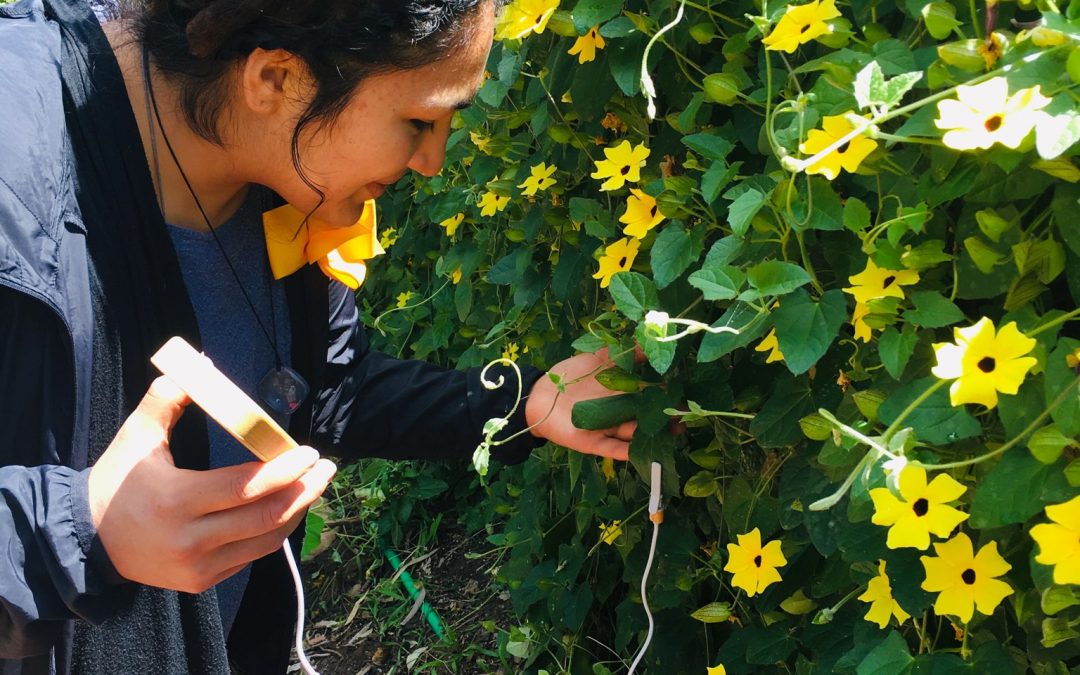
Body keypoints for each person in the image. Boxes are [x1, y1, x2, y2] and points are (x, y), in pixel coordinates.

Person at [0, 0, 636, 672]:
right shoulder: (19, 172)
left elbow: (324, 393)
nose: (433, 161)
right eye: (419, 121)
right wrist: (77, 531)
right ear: (275, 79)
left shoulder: (286, 172)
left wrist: (521, 403)